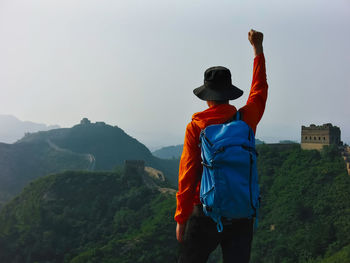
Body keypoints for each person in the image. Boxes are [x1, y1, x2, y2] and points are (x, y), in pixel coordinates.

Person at [175, 29, 268, 263]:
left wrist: (181, 219)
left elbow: (187, 176)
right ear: (229, 94)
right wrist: (257, 49)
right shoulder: (246, 119)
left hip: (204, 211)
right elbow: (259, 90)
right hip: (241, 212)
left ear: (207, 96)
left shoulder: (196, 127)